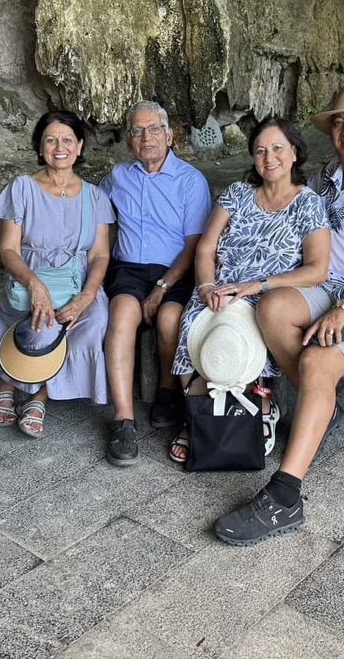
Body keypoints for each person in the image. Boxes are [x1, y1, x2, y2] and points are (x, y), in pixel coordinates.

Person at [214, 84, 344, 545]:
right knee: (271, 308)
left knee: (317, 360)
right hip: (330, 289)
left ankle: (285, 496)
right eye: (340, 122)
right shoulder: (325, 180)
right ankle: (325, 405)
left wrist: (343, 310)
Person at [169, 117, 330, 463]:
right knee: (197, 320)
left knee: (256, 321)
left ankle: (259, 403)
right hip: (221, 288)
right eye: (260, 151)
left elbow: (318, 269)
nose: (269, 158)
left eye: (277, 148)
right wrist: (206, 287)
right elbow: (206, 248)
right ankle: (197, 409)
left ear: (295, 153)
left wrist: (260, 284)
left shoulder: (308, 204)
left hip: (268, 291)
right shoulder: (237, 194)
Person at [0, 110, 115, 438]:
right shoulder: (22, 188)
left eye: (68, 140)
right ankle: (8, 380)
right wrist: (35, 284)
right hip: (30, 279)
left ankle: (40, 396)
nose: (60, 148)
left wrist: (87, 295)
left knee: (97, 318)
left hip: (77, 283)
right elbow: (8, 249)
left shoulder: (95, 196)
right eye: (51, 140)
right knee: (43, 326)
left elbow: (100, 254)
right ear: (40, 147)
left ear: (80, 146)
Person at [100, 101, 213, 466]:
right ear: (128, 141)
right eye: (137, 131)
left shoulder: (190, 180)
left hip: (176, 269)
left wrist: (162, 287)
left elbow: (194, 246)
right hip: (129, 269)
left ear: (169, 135)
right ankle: (124, 420)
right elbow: (91, 212)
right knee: (121, 316)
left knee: (169, 319)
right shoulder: (118, 177)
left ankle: (168, 391)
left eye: (153, 129)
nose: (146, 137)